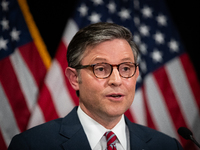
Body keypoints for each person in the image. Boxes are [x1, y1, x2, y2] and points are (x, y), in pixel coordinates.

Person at [8, 22, 183, 150]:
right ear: (74, 78)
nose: (116, 80)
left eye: (126, 68)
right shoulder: (31, 145)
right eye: (100, 69)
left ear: (136, 75)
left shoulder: (167, 146)